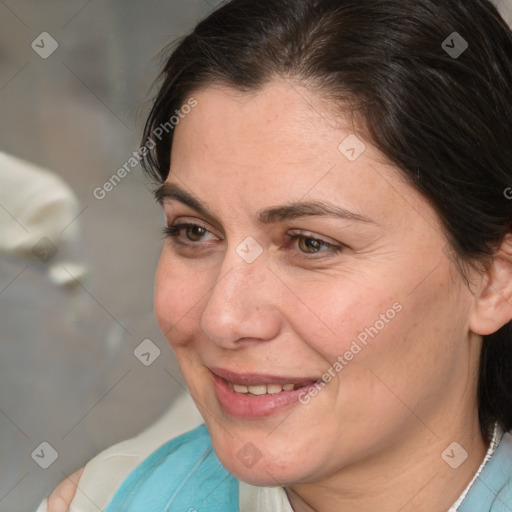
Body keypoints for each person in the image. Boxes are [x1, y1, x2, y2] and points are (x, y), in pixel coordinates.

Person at [43, 0, 512, 510]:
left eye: (311, 243)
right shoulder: (107, 498)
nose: (222, 319)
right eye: (194, 232)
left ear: (494, 279)